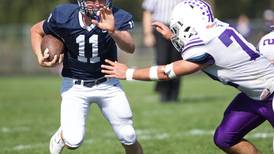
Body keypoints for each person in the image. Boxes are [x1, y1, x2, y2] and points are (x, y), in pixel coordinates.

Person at [101, 0, 274, 153]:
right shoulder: (218, 27)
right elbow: (204, 50)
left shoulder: (205, 45)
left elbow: (166, 72)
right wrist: (173, 38)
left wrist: (128, 72)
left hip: (270, 92)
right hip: (255, 94)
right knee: (225, 138)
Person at [30, 0, 143, 154]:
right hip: (75, 86)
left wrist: (113, 30)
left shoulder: (116, 15)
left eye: (101, 0)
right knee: (74, 140)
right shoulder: (64, 15)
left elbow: (130, 48)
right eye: (92, 0)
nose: (97, 4)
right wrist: (39, 56)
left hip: (108, 84)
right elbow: (36, 30)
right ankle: (62, 136)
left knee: (128, 135)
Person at [142, 0, 183, 102]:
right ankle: (163, 93)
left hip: (179, 29)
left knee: (177, 62)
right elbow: (147, 12)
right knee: (162, 60)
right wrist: (148, 34)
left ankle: (174, 95)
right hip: (160, 29)